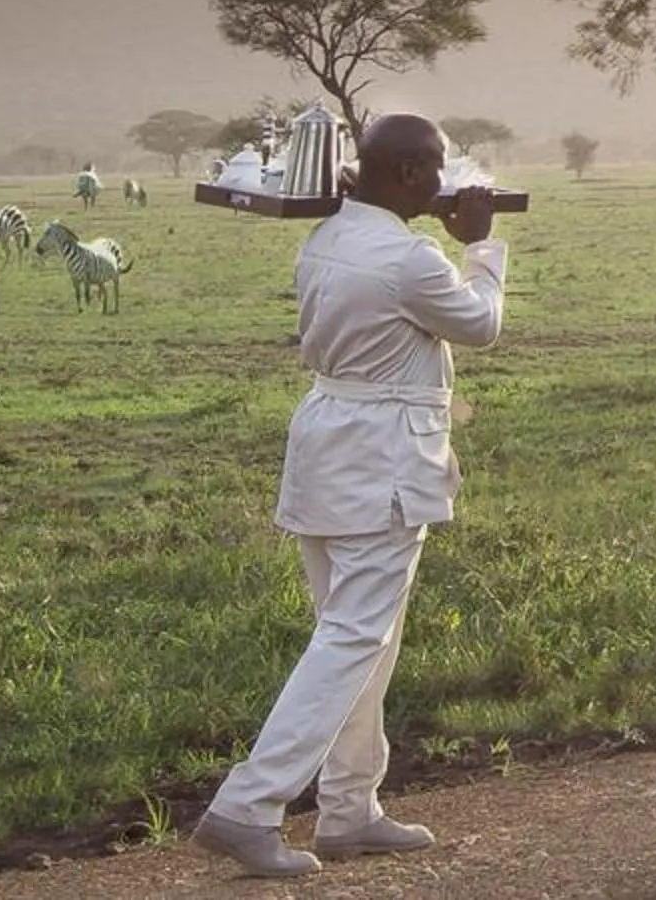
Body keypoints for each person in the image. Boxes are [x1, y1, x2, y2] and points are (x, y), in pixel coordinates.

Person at [192, 112, 507, 878]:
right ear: (405, 176)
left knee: (362, 633)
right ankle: (249, 806)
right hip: (385, 460)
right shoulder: (411, 260)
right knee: (352, 640)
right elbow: (482, 325)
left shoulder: (328, 238)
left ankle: (348, 808)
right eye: (434, 170)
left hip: (327, 440)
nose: (444, 183)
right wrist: (482, 243)